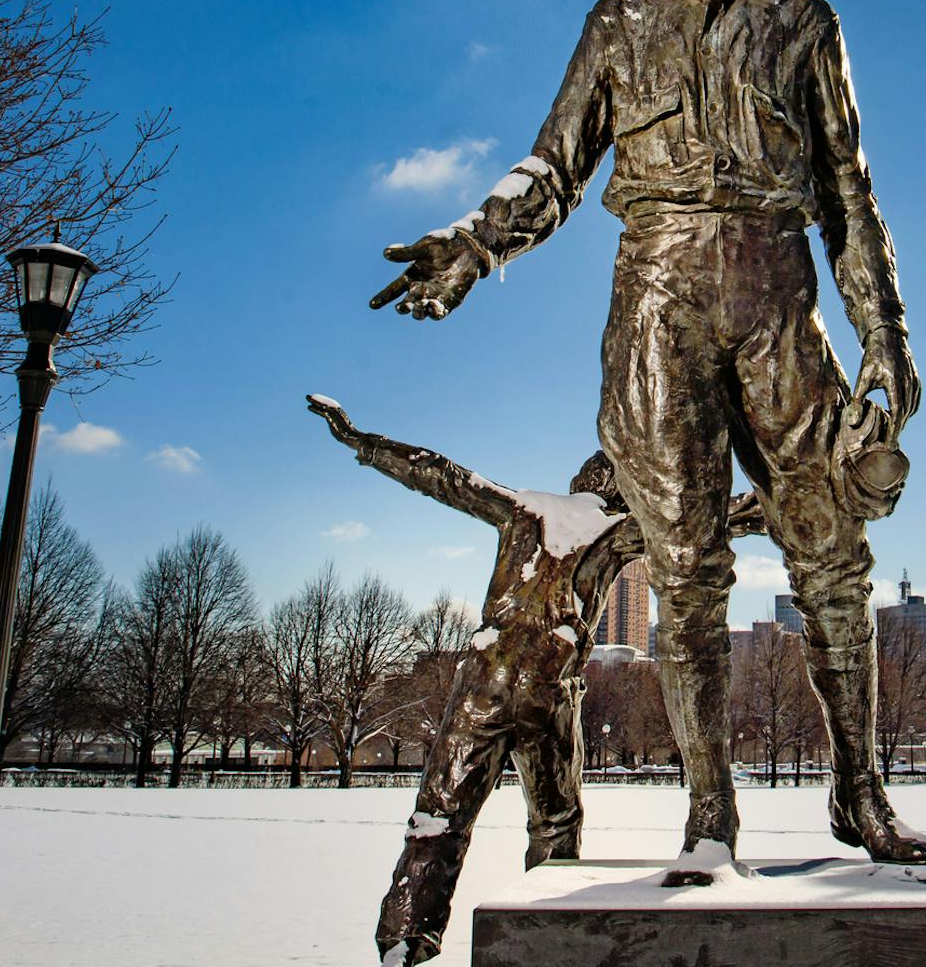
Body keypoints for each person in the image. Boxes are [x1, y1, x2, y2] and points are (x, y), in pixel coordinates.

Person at [369, 0, 926, 877]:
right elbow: (555, 165)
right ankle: (710, 815)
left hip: (778, 291)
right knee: (685, 567)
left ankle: (860, 789)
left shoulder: (803, 18)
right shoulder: (618, 21)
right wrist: (477, 244)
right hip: (658, 300)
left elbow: (849, 193)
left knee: (829, 548)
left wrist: (886, 333)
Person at [305, 394, 766, 962]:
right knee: (552, 824)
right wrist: (796, 497)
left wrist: (361, 442)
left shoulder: (525, 509)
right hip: (545, 697)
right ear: (620, 487)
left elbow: (439, 474)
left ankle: (409, 942)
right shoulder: (619, 528)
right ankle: (549, 934)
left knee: (441, 819)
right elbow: (722, 517)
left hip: (486, 687)